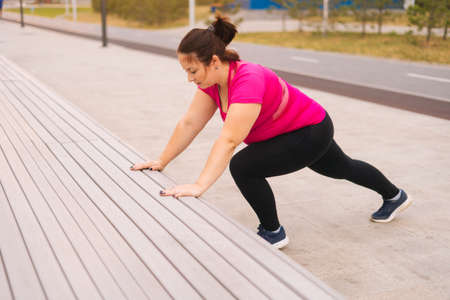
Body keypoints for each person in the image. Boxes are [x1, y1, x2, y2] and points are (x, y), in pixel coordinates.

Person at [130, 15, 411, 249]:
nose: (189, 78)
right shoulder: (211, 83)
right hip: (290, 131)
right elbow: (189, 124)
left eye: (192, 71)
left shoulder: (248, 80)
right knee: (341, 167)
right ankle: (395, 196)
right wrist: (162, 160)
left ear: (214, 61)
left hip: (309, 129)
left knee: (243, 165)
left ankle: (273, 232)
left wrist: (200, 185)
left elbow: (229, 139)